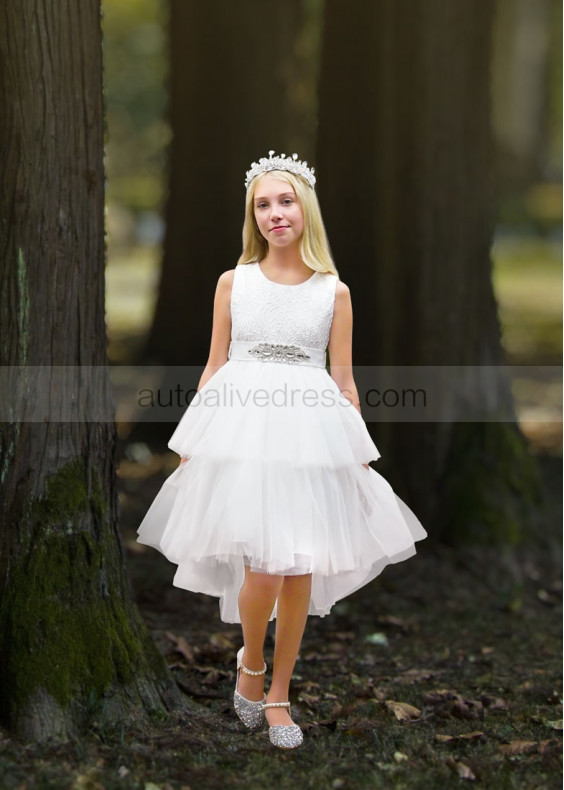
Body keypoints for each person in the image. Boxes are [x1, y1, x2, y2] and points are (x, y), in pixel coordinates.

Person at [137, 150, 427, 749]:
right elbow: (215, 365)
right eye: (263, 205)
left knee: (299, 568)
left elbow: (343, 380)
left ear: (305, 210)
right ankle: (250, 663)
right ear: (253, 217)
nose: (275, 213)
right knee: (264, 567)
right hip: (243, 425)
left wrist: (356, 451)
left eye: (285, 201)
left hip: (308, 431)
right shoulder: (233, 282)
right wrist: (195, 437)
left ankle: (279, 695)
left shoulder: (333, 292)